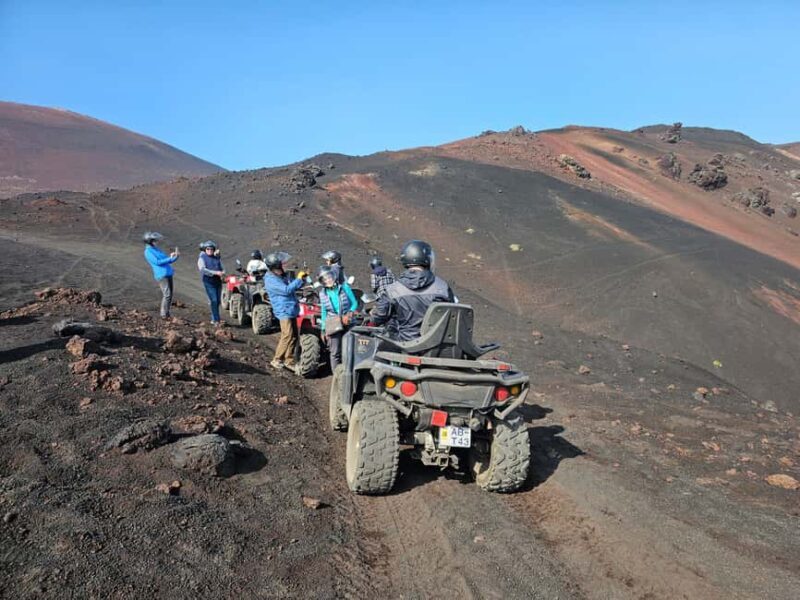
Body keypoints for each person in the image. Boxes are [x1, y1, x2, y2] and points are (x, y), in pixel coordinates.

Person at [371, 240, 455, 341]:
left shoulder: (393, 290)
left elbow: (379, 316)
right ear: (427, 259)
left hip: (405, 346)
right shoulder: (443, 287)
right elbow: (453, 315)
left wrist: (371, 318)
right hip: (437, 346)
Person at [263, 252, 307, 372]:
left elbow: (294, 285)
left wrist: (302, 279)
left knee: (293, 336)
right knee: (287, 335)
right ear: (275, 267)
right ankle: (277, 359)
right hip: (283, 310)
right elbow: (287, 290)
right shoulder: (271, 280)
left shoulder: (282, 275)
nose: (285, 265)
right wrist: (298, 280)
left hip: (291, 308)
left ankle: (289, 360)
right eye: (282, 264)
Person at [318, 265, 358, 371]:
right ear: (322, 282)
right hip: (333, 323)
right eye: (325, 279)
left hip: (348, 321)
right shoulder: (322, 294)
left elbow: (354, 303)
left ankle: (350, 373)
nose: (328, 280)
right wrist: (323, 329)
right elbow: (324, 312)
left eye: (329, 277)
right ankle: (336, 376)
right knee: (335, 352)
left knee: (349, 349)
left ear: (333, 276)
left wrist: (349, 313)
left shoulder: (345, 287)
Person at [143, 231, 179, 320]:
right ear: (150, 241)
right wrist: (169, 258)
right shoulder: (148, 251)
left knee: (169, 294)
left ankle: (167, 313)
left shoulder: (156, 249)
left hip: (168, 273)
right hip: (161, 275)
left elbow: (167, 260)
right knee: (167, 294)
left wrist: (175, 257)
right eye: (155, 240)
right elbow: (157, 262)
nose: (157, 242)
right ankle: (164, 314)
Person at [197, 240, 225, 326]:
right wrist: (215, 273)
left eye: (211, 249)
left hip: (218, 282)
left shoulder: (217, 258)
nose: (209, 250)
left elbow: (222, 267)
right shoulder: (202, 258)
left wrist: (223, 272)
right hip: (208, 281)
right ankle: (216, 320)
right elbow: (203, 269)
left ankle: (214, 318)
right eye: (208, 249)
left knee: (218, 301)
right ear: (205, 249)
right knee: (213, 300)